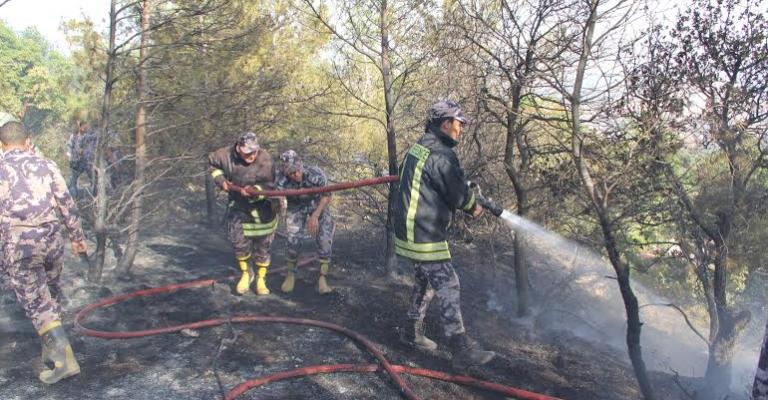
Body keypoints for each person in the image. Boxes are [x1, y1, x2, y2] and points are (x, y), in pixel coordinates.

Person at [394, 100, 495, 367]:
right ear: (445, 123)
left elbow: (441, 183)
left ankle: (410, 332)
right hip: (424, 233)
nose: (461, 129)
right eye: (459, 123)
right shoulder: (441, 154)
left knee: (425, 282)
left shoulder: (421, 146)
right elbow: (458, 195)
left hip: (408, 231)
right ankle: (460, 350)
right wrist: (473, 205)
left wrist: (464, 188)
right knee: (449, 285)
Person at [0, 121, 88, 384]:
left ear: (2, 145)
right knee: (51, 293)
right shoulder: (47, 164)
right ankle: (52, 348)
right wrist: (78, 238)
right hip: (51, 242)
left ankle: (65, 360)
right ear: (28, 141)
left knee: (38, 304)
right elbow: (67, 203)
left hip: (20, 245)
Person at [208, 132, 279, 295]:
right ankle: (246, 274)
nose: (252, 155)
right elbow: (212, 164)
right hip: (239, 207)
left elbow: (271, 185)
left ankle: (261, 279)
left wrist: (256, 191)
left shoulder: (265, 159)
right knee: (239, 244)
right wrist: (221, 181)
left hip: (263, 210)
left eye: (255, 151)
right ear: (238, 148)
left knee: (263, 247)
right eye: (248, 152)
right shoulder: (224, 155)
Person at [275, 150, 335, 295]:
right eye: (290, 172)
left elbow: (327, 196)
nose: (295, 175)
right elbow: (277, 199)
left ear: (300, 165)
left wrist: (315, 216)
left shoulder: (315, 174)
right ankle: (290, 274)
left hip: (317, 204)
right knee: (293, 240)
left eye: (296, 171)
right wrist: (280, 204)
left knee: (324, 238)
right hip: (296, 206)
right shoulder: (281, 180)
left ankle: (322, 278)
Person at [66, 121, 96, 197]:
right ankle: (73, 198)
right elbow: (69, 149)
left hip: (87, 162)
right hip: (77, 162)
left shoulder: (89, 136)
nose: (85, 127)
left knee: (94, 179)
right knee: (73, 181)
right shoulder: (73, 137)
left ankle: (96, 197)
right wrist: (71, 158)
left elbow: (93, 146)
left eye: (86, 126)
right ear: (79, 127)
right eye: (83, 126)